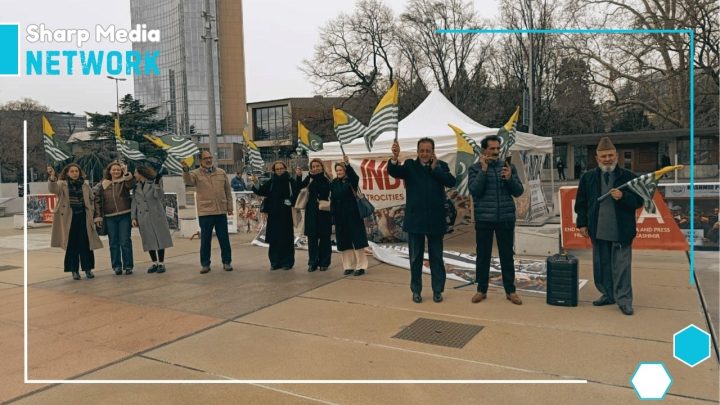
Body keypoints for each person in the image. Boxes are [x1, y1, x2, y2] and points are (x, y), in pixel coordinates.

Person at [574, 137, 644, 316]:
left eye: (610, 155)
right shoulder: (588, 177)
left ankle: (624, 300)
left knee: (622, 267)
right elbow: (581, 203)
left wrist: (623, 197)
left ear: (617, 156)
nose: (607, 159)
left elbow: (639, 201)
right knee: (602, 266)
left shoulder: (628, 177)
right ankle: (607, 294)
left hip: (621, 231)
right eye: (603, 156)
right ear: (597, 159)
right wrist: (582, 223)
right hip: (598, 230)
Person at [388, 138, 456, 303]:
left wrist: (436, 170)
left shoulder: (441, 166)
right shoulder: (410, 165)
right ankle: (416, 290)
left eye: (428, 151)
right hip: (415, 220)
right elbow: (394, 171)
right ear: (418, 151)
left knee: (436, 258)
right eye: (422, 150)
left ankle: (437, 290)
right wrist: (395, 158)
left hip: (435, 220)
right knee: (415, 258)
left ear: (433, 152)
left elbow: (451, 182)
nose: (425, 154)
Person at [468, 135, 524, 306]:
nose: (495, 152)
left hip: (505, 218)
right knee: (483, 255)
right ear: (484, 150)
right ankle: (481, 290)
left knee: (507, 255)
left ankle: (511, 291)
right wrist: (484, 170)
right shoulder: (475, 168)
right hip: (484, 218)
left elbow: (518, 191)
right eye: (491, 148)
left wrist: (509, 179)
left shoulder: (508, 167)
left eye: (497, 149)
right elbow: (475, 191)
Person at [47, 164, 103, 280]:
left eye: (76, 171)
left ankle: (88, 269)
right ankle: (74, 271)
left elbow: (91, 199)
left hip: (83, 217)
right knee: (72, 245)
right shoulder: (62, 184)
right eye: (72, 171)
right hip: (69, 218)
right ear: (67, 173)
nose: (74, 173)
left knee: (86, 244)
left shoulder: (85, 185)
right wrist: (52, 178)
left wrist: (93, 212)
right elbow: (53, 189)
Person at [182, 150, 233, 274]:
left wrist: (230, 207)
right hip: (205, 212)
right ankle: (205, 264)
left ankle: (227, 262)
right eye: (206, 158)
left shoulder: (221, 173)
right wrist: (185, 171)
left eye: (210, 157)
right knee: (205, 240)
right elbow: (188, 182)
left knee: (224, 239)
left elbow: (228, 191)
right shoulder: (195, 174)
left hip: (220, 211)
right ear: (201, 161)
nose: (209, 160)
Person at [251, 161, 298, 270]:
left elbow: (296, 194)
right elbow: (262, 191)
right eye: (277, 169)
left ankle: (287, 262)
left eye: (281, 168)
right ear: (274, 170)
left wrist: (290, 201)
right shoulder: (271, 182)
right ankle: (275, 262)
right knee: (274, 240)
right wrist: (255, 182)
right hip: (273, 215)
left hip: (286, 215)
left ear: (285, 169)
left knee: (286, 240)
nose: (280, 170)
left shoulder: (291, 181)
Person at [94, 161, 136, 275]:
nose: (116, 171)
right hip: (109, 217)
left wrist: (126, 173)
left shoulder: (125, 181)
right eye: (114, 169)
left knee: (125, 241)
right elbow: (97, 201)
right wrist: (98, 216)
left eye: (118, 169)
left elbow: (131, 185)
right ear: (109, 171)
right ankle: (116, 266)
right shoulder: (103, 184)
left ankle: (128, 266)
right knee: (113, 243)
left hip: (125, 215)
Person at [330, 155, 369, 276]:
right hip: (340, 216)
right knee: (344, 242)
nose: (339, 172)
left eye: (341, 170)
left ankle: (361, 266)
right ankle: (348, 266)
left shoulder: (351, 181)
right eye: (337, 170)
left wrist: (347, 164)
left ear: (345, 171)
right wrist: (333, 217)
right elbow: (332, 200)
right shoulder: (333, 183)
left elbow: (354, 177)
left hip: (353, 215)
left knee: (357, 241)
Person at [131, 164, 174, 274]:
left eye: (136, 172)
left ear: (141, 173)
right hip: (143, 217)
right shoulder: (136, 186)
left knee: (159, 238)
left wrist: (157, 184)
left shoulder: (154, 183)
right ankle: (154, 262)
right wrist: (133, 217)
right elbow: (134, 203)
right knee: (148, 239)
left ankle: (161, 263)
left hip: (156, 215)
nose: (134, 174)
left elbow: (159, 196)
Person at [295, 158, 332, 272]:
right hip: (311, 211)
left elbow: (328, 192)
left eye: (317, 166)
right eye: (313, 166)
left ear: (321, 166)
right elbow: (299, 187)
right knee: (312, 238)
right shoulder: (309, 178)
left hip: (324, 211)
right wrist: (299, 176)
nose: (315, 168)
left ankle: (324, 262)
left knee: (325, 238)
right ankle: (313, 262)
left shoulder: (327, 179)